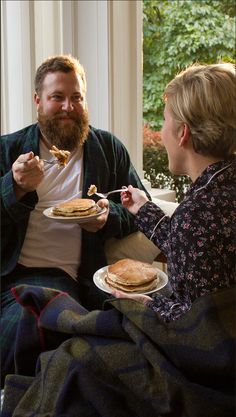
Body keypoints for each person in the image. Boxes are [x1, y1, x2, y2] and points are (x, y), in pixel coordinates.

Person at [0, 54, 150, 386]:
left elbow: (141, 208)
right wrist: (16, 187)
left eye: (76, 97)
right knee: (27, 323)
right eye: (57, 97)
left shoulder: (108, 149)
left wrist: (108, 217)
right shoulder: (9, 151)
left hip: (73, 278)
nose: (68, 106)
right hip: (12, 278)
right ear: (38, 101)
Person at [116, 62, 236, 321]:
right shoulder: (220, 188)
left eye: (164, 122)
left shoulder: (199, 213)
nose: (160, 134)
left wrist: (145, 304)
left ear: (183, 133)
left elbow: (201, 326)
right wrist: (142, 209)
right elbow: (192, 249)